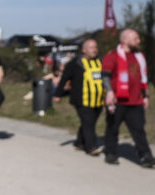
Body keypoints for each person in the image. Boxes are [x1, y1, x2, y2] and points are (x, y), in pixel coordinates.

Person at [102, 29, 152, 167]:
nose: (139, 41)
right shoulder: (112, 56)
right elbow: (105, 75)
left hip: (135, 101)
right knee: (112, 128)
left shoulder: (140, 56)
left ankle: (146, 156)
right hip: (117, 101)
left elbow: (143, 78)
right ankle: (111, 153)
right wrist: (110, 92)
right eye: (135, 38)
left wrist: (146, 96)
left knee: (139, 130)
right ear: (124, 40)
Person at [54, 39, 104, 155]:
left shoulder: (101, 61)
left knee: (89, 122)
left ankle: (79, 142)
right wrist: (58, 94)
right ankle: (91, 147)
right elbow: (64, 79)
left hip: (98, 99)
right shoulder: (75, 64)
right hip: (81, 99)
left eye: (95, 47)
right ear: (84, 50)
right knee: (88, 121)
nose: (94, 50)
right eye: (91, 47)